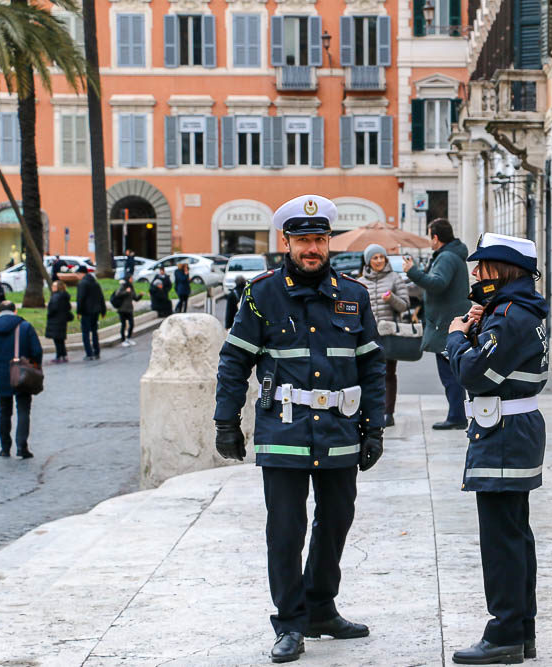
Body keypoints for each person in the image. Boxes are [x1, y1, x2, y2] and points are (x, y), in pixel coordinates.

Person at [214, 194, 386, 664]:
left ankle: (321, 608)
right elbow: (234, 362)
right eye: (303, 240)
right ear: (285, 242)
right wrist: (226, 421)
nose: (312, 248)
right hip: (283, 432)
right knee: (285, 531)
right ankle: (289, 623)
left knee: (335, 523)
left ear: (328, 242)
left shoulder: (353, 293)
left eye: (319, 239)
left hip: (338, 431)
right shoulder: (261, 293)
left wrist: (375, 427)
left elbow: (372, 366)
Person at [446, 233, 549, 665]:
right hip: (513, 428)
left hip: (504, 431)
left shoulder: (508, 315)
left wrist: (456, 336)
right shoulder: (512, 310)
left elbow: (474, 373)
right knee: (515, 535)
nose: (475, 274)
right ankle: (521, 631)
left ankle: (505, 633)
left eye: (482, 267)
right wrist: (479, 323)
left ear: (503, 272)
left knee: (502, 540)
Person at [402, 219, 472, 430]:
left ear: (436, 237)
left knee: (450, 375)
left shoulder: (447, 257)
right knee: (453, 373)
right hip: (448, 321)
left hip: (446, 324)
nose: (429, 241)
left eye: (429, 235)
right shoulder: (451, 256)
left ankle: (457, 416)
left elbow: (437, 284)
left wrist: (412, 271)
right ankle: (457, 414)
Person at [357, 243, 409, 428]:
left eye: (381, 257)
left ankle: (388, 413)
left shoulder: (395, 278)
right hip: (367, 336)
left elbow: (404, 305)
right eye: (375, 258)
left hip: (388, 335)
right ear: (368, 261)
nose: (379, 261)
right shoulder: (361, 282)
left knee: (388, 374)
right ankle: (370, 410)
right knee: (368, 374)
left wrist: (391, 299)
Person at [0, 300, 42, 458]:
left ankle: (5, 448)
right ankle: (22, 446)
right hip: (22, 374)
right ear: (15, 311)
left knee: (4, 412)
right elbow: (37, 351)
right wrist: (34, 365)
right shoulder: (25, 326)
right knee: (23, 410)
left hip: (1, 374)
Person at [76, 266, 106, 360]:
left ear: (82, 273)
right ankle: (96, 351)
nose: (77, 276)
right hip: (95, 311)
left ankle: (89, 353)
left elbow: (80, 299)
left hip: (86, 311)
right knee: (94, 332)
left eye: (78, 274)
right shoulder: (95, 283)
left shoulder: (82, 284)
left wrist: (79, 311)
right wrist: (103, 310)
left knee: (85, 333)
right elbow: (101, 297)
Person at [45, 280, 73, 363]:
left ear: (58, 287)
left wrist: (49, 314)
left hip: (55, 320)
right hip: (62, 320)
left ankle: (59, 356)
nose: (52, 287)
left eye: (54, 286)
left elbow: (53, 308)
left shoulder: (56, 297)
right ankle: (63, 355)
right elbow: (68, 307)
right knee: (61, 339)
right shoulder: (64, 296)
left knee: (57, 340)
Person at [112, 278, 142, 347]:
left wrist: (140, 295)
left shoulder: (131, 287)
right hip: (122, 310)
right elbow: (117, 294)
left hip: (129, 309)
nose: (132, 279)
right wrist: (126, 291)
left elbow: (135, 298)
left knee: (131, 324)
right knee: (123, 325)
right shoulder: (123, 286)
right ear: (128, 279)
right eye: (131, 278)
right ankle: (123, 340)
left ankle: (128, 338)